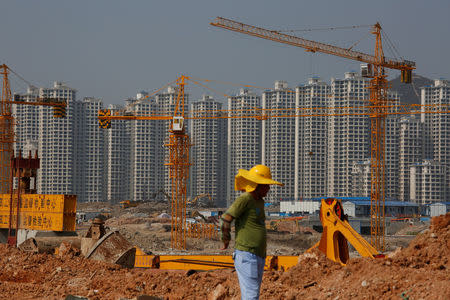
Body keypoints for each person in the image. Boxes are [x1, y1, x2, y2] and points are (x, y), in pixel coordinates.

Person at [220, 164, 283, 300]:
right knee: (251, 295)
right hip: (247, 255)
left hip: (258, 255)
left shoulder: (259, 202)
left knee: (252, 294)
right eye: (265, 185)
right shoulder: (245, 199)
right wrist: (226, 240)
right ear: (256, 185)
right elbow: (226, 219)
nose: (268, 188)